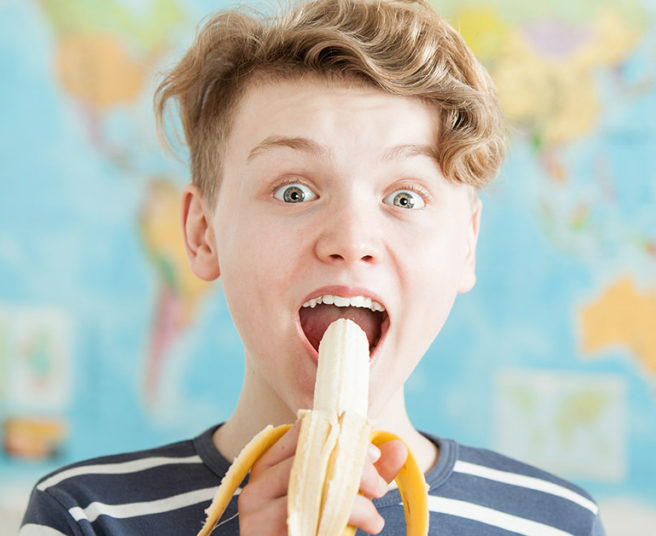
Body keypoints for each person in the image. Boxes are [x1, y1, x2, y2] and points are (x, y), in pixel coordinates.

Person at [20, 0, 605, 535]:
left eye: (404, 198)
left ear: (467, 245)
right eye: (294, 191)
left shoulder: (557, 522)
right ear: (202, 234)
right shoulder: (82, 515)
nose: (351, 242)